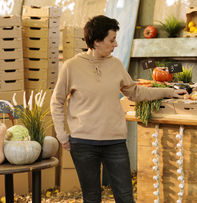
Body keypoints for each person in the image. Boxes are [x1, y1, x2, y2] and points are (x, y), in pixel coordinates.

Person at [51, 15, 186, 203]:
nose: (115, 45)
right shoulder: (71, 66)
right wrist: (62, 135)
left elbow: (135, 92)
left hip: (114, 142)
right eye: (111, 40)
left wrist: (167, 92)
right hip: (83, 143)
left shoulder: (116, 65)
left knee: (125, 197)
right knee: (91, 197)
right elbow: (57, 101)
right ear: (97, 41)